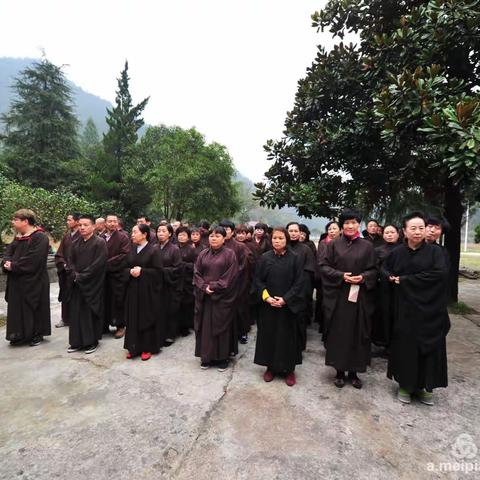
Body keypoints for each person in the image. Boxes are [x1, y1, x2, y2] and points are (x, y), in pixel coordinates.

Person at [382, 212, 450, 406]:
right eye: (413, 228)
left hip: (430, 310)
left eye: (422, 227)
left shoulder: (436, 252)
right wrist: (390, 277)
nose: (419, 231)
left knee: (428, 348)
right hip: (405, 310)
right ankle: (405, 385)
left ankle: (425, 387)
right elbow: (385, 269)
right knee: (406, 348)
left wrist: (405, 280)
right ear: (404, 231)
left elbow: (439, 275)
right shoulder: (397, 252)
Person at [319, 209, 377, 389]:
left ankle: (354, 372)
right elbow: (323, 266)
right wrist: (342, 275)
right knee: (340, 333)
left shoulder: (367, 246)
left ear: (359, 224)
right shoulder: (333, 245)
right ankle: (339, 372)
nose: (350, 226)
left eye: (353, 222)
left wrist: (364, 277)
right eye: (346, 223)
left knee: (358, 333)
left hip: (360, 296)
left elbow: (374, 269)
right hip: (338, 296)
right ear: (342, 226)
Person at [254, 226, 305, 386]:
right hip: (269, 305)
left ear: (287, 240)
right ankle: (270, 368)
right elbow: (257, 280)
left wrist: (285, 299)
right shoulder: (264, 258)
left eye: (281, 238)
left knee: (287, 338)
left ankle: (289, 370)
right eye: (275, 238)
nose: (277, 241)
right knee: (269, 335)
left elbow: (299, 283)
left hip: (287, 306)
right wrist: (267, 297)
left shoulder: (295, 258)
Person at [2, 209, 51, 346]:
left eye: (16, 219)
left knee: (33, 307)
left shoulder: (40, 237)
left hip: (34, 280)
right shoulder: (18, 237)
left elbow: (34, 259)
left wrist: (14, 266)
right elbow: (8, 252)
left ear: (25, 221)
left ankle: (36, 334)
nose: (13, 222)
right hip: (17, 280)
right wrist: (6, 262)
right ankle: (19, 334)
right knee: (17, 308)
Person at [194, 226, 239, 371]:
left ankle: (222, 357)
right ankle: (206, 357)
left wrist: (213, 286)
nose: (213, 238)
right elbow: (196, 272)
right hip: (205, 297)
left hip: (221, 297)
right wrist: (203, 287)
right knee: (205, 328)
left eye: (217, 236)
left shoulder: (230, 254)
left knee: (221, 327)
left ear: (224, 238)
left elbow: (230, 276)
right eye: (211, 236)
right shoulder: (203, 253)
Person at [123, 224, 164, 361]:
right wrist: (129, 271)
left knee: (145, 317)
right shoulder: (132, 248)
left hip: (147, 292)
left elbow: (158, 273)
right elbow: (124, 268)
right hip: (133, 290)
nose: (132, 235)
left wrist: (143, 271)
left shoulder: (153, 251)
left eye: (135, 232)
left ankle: (147, 348)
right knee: (133, 317)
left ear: (144, 234)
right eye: (132, 232)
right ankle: (133, 347)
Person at [68, 214, 108, 354]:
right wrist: (74, 274)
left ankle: (91, 342)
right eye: (80, 225)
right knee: (76, 312)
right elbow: (70, 261)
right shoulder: (75, 243)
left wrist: (83, 276)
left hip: (93, 284)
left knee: (89, 312)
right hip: (77, 284)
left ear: (93, 226)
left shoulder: (99, 242)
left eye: (86, 225)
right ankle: (77, 342)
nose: (82, 227)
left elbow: (98, 264)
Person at [100, 214, 131, 339]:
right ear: (105, 223)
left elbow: (124, 255)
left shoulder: (123, 237)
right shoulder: (101, 237)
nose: (112, 224)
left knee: (118, 300)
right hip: (103, 275)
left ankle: (120, 326)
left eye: (114, 221)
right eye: (109, 221)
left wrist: (106, 263)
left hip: (117, 274)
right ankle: (105, 324)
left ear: (117, 223)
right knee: (104, 299)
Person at [287, 221, 315, 349]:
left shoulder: (306, 250)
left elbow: (308, 273)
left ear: (300, 233)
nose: (293, 234)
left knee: (299, 321)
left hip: (300, 292)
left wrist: (301, 292)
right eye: (290, 231)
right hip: (283, 291)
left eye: (295, 231)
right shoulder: (282, 246)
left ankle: (298, 347)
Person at [372, 224, 401, 351]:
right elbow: (375, 267)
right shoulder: (378, 250)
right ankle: (383, 342)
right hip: (383, 287)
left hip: (401, 287)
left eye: (392, 232)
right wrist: (387, 276)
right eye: (387, 233)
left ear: (398, 234)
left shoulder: (403, 249)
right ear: (383, 235)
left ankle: (396, 344)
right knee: (383, 313)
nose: (389, 235)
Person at [156, 223, 182, 346]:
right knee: (158, 310)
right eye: (159, 231)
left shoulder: (174, 249)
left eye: (163, 231)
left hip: (170, 285)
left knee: (170, 310)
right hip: (156, 285)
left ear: (170, 233)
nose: (160, 233)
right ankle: (159, 333)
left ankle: (170, 335)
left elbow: (177, 268)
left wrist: (162, 271)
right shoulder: (154, 247)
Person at [54, 213, 81, 328]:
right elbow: (59, 253)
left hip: (77, 272)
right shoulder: (67, 236)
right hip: (65, 271)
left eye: (69, 220)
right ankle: (65, 318)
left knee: (76, 296)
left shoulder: (82, 236)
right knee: (65, 294)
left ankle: (76, 318)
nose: (67, 222)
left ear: (76, 221)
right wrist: (63, 264)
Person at [315, 221, 341, 334]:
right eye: (330, 229)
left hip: (339, 277)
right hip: (324, 277)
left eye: (334, 228)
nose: (332, 231)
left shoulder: (343, 243)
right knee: (324, 304)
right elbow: (319, 260)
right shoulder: (323, 243)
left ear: (340, 230)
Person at [176, 226, 199, 336]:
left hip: (187, 280)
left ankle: (186, 326)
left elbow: (196, 265)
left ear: (188, 237)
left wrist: (183, 265)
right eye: (179, 235)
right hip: (176, 279)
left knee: (187, 304)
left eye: (184, 235)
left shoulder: (192, 249)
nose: (181, 237)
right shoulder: (174, 248)